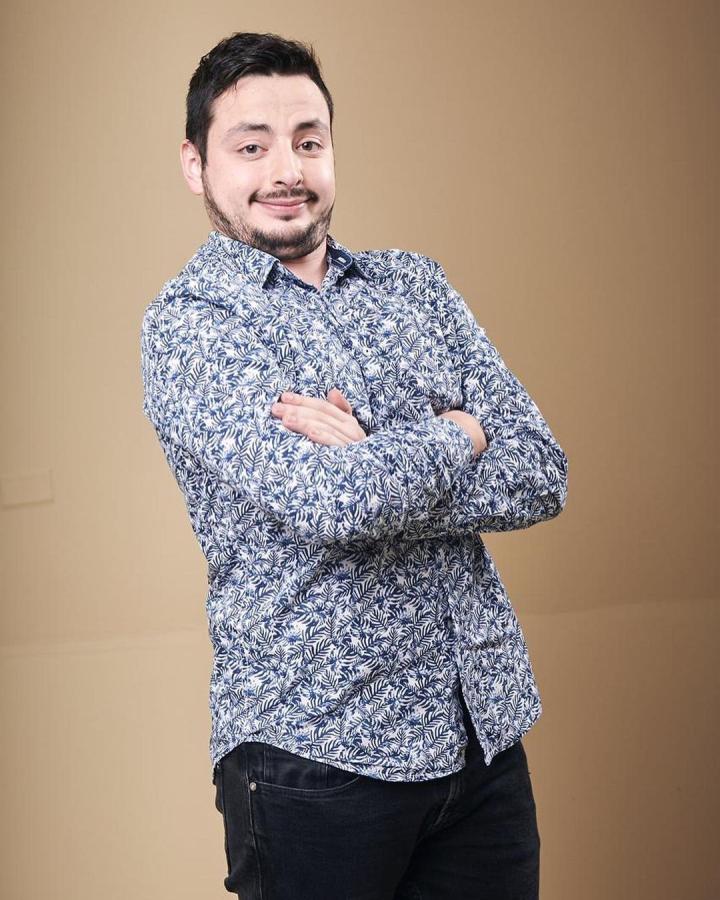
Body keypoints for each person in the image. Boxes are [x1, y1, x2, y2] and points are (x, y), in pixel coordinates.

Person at [140, 30, 568, 900]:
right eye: (251, 147)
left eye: (308, 141)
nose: (286, 169)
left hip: (479, 738)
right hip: (314, 756)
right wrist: (457, 434)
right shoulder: (191, 327)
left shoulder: (417, 287)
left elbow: (541, 469)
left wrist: (375, 457)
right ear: (196, 164)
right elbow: (333, 503)